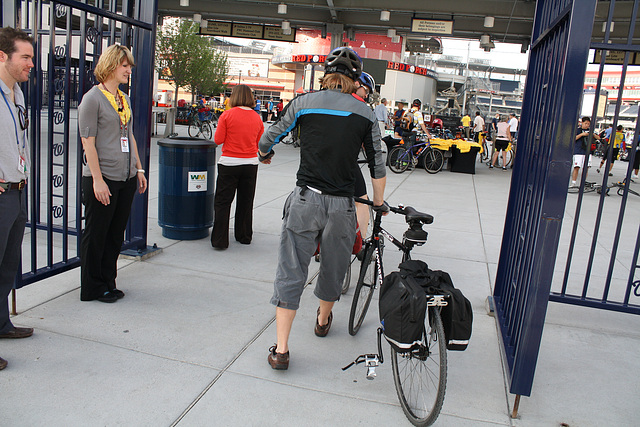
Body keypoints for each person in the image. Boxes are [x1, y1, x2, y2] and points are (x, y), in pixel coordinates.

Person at [258, 46, 387, 370]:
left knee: (291, 269)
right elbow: (378, 166)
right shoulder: (366, 114)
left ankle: (282, 350)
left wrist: (264, 154)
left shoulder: (303, 102)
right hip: (342, 206)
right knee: (333, 268)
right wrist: (379, 204)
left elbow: (270, 136)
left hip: (305, 200)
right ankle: (323, 319)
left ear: (326, 75)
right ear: (355, 80)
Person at [78, 44, 148, 303]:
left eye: (129, 66)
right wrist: (97, 180)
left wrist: (138, 169)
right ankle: (93, 288)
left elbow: (128, 135)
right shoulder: (92, 99)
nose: (129, 70)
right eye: (125, 65)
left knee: (115, 234)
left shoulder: (123, 98)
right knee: (97, 234)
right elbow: (89, 143)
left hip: (125, 177)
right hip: (102, 177)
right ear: (110, 66)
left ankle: (108, 281)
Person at [0, 27, 35, 371]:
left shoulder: (18, 95)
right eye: (24, 57)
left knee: (8, 265)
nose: (31, 64)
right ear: (3, 56)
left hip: (17, 188)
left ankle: (1, 325)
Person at [211, 85, 264, 249]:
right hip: (250, 164)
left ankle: (220, 240)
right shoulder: (257, 118)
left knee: (223, 202)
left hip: (229, 163)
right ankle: (244, 235)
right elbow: (259, 143)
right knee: (246, 201)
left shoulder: (227, 115)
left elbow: (218, 140)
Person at [571, 116, 600, 187]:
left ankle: (583, 182)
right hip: (578, 151)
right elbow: (573, 139)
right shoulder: (578, 130)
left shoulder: (590, 130)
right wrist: (582, 134)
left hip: (587, 151)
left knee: (586, 168)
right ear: (582, 123)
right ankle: (573, 182)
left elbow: (598, 138)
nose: (587, 125)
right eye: (586, 123)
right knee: (577, 167)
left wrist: (592, 134)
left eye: (588, 124)